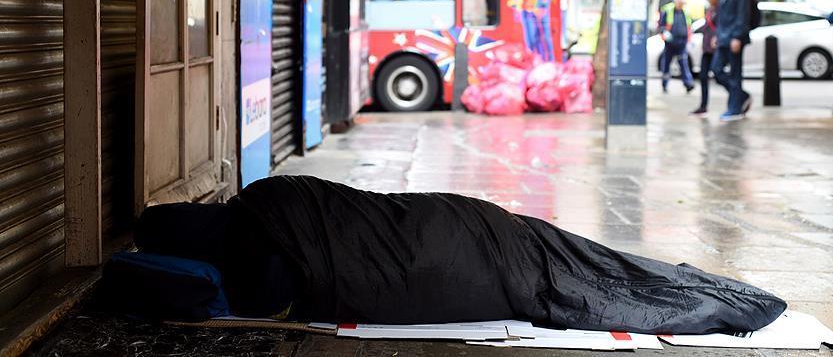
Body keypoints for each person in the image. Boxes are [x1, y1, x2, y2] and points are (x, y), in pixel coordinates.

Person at [114, 175, 787, 335]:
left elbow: (270, 299)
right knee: (578, 259)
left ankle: (704, 301)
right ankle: (701, 293)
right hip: (463, 220)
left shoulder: (259, 259)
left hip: (455, 253)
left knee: (570, 282)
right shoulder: (267, 193)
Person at [711, 0, 753, 121]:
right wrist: (717, 35)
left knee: (735, 74)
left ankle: (735, 109)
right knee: (716, 69)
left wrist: (737, 37)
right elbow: (722, 17)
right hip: (723, 38)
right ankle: (741, 96)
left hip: (734, 39)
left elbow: (742, 16)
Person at [691, 0, 720, 116]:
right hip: (707, 48)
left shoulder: (720, 9)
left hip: (716, 47)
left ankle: (738, 96)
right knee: (703, 76)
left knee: (718, 74)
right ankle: (703, 106)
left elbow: (721, 26)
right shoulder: (708, 10)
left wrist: (717, 37)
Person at [658, 0, 695, 94]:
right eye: (679, 3)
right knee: (666, 64)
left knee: (683, 63)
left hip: (682, 42)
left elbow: (689, 27)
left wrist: (689, 40)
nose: (681, 5)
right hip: (670, 43)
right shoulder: (668, 10)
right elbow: (661, 25)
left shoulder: (685, 12)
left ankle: (688, 84)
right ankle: (664, 84)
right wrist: (664, 33)